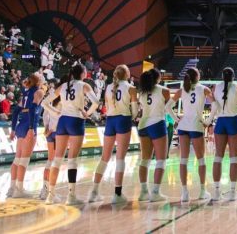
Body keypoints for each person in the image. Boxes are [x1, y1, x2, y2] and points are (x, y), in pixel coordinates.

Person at [42, 64, 100, 205]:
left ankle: (50, 196)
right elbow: (96, 102)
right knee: (72, 160)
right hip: (76, 121)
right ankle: (71, 196)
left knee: (57, 159)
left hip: (63, 121)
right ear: (83, 73)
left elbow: (44, 102)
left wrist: (56, 112)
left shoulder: (63, 86)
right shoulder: (84, 85)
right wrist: (88, 112)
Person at [88, 65, 138, 204]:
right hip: (123, 119)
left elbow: (107, 107)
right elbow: (134, 111)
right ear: (126, 74)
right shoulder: (131, 88)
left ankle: (94, 192)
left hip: (110, 121)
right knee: (120, 158)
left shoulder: (109, 87)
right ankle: (117, 194)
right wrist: (133, 117)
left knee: (104, 157)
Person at [170, 67, 213, 202]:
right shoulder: (204, 89)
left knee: (183, 160)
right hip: (196, 126)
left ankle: (184, 193)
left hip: (183, 126)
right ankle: (202, 191)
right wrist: (208, 121)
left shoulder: (182, 90)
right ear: (197, 76)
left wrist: (177, 119)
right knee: (201, 160)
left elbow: (167, 107)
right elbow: (216, 105)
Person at [208, 67, 237, 201]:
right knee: (234, 158)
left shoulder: (215, 87)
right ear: (233, 76)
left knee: (218, 157)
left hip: (220, 122)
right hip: (233, 120)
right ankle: (233, 192)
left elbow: (214, 107)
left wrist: (209, 120)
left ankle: (217, 191)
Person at [136, 68, 171, 202]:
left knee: (145, 159)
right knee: (161, 160)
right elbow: (168, 107)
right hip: (157, 123)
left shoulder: (142, 92)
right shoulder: (164, 90)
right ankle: (155, 192)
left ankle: (143, 192)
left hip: (143, 125)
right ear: (158, 78)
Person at [7, 72, 44, 198]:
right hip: (29, 124)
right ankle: (19, 190)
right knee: (24, 160)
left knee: (17, 158)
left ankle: (12, 188)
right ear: (39, 80)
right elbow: (33, 109)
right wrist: (32, 128)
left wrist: (13, 129)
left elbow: (16, 111)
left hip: (21, 124)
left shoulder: (26, 92)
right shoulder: (39, 92)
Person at [38, 80, 60, 200]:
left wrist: (47, 127)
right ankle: (51, 193)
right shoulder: (59, 96)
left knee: (50, 161)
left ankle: (44, 189)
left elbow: (45, 114)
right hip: (57, 132)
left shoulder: (49, 97)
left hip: (50, 132)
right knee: (55, 162)